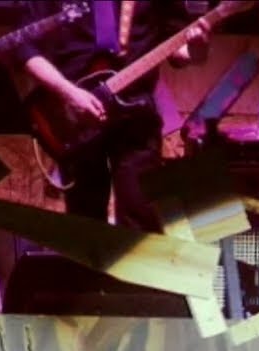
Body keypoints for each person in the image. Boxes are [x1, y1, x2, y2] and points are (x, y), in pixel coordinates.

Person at [15, 1, 210, 232]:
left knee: (141, 218)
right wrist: (69, 93)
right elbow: (25, 48)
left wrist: (198, 48)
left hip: (137, 115)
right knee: (85, 225)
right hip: (76, 116)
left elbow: (180, 51)